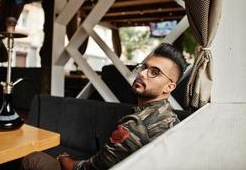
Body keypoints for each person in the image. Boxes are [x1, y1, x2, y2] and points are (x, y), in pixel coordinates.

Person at [21, 43, 188, 170]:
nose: (142, 73)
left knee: (33, 159)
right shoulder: (173, 119)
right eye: (144, 67)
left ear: (169, 87)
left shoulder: (136, 124)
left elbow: (90, 169)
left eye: (155, 72)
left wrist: (64, 160)